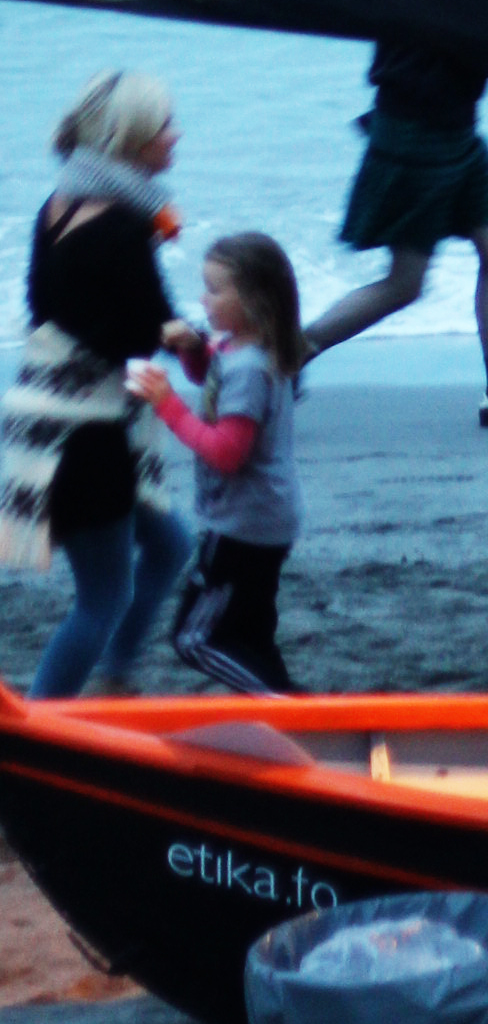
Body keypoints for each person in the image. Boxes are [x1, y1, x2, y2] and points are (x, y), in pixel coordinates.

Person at [1, 72, 197, 696]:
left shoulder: (56, 209)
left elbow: (44, 310)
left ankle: (115, 676)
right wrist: (191, 337)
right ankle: (41, 722)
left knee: (169, 545)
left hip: (42, 418)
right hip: (85, 437)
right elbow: (143, 332)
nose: (176, 135)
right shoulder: (121, 227)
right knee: (102, 598)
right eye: (165, 124)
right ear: (134, 139)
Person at [298, 36, 488, 425]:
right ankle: (292, 351)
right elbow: (485, 52)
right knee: (404, 284)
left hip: (452, 125)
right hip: (418, 129)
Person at [130, 231, 306, 695]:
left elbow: (227, 452)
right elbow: (212, 376)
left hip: (242, 525)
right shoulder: (240, 350)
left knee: (194, 639)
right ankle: (292, 708)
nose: (202, 300)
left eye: (214, 289)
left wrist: (167, 404)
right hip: (265, 516)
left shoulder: (249, 368)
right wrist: (192, 348)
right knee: (250, 631)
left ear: (253, 299)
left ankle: (278, 703)